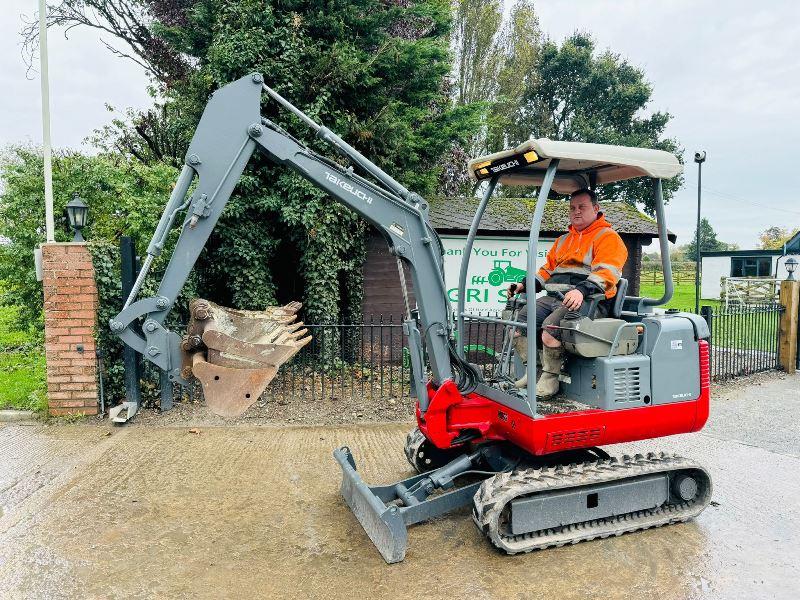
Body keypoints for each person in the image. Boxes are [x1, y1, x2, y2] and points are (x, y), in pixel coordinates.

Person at [507, 188, 628, 397]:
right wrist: (523, 285)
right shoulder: (564, 240)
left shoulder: (608, 238)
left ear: (596, 209)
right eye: (572, 208)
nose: (576, 212)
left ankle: (549, 379)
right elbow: (547, 271)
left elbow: (607, 273)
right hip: (556, 297)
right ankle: (532, 372)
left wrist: (581, 290)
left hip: (589, 300)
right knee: (518, 322)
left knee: (550, 329)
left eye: (582, 207)